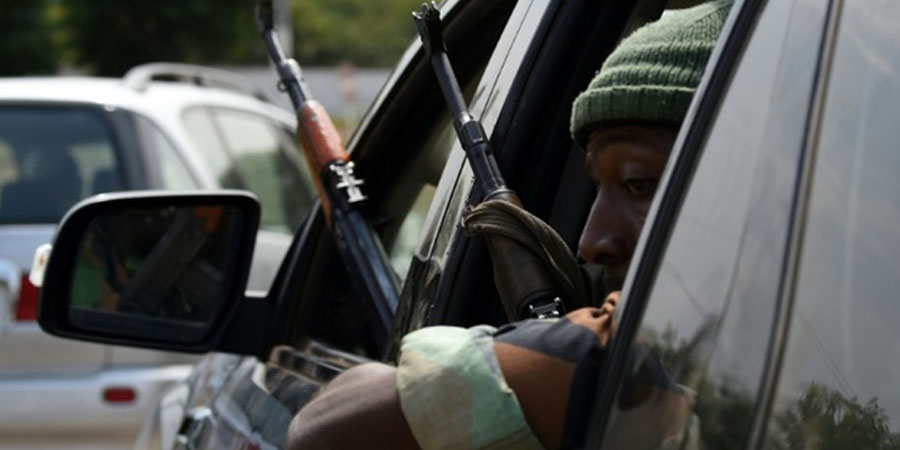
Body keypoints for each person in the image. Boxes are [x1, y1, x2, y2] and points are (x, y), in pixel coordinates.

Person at [287, 2, 730, 449]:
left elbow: (322, 429)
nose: (591, 241)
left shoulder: (614, 368)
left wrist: (549, 350)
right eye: (597, 187)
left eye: (638, 183)